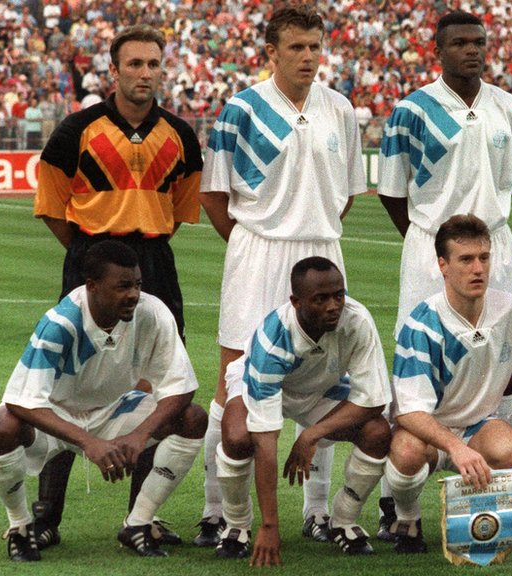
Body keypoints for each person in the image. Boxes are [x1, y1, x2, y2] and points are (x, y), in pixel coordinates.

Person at [30, 24, 203, 552]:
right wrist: (89, 255)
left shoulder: (180, 135)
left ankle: (139, 518)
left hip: (154, 262)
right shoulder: (76, 130)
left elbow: (177, 212)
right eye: (134, 63)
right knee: (67, 385)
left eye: (153, 63)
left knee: (159, 386)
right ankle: (43, 517)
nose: (144, 73)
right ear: (114, 70)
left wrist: (141, 250)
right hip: (92, 258)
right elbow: (52, 206)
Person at [200, 4, 367, 547]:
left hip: (320, 251)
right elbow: (213, 193)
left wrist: (311, 231)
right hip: (258, 253)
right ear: (271, 51)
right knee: (234, 379)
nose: (308, 57)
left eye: (315, 47)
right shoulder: (241, 109)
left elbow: (345, 194)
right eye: (297, 47)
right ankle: (218, 512)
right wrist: (254, 241)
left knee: (326, 379)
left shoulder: (340, 109)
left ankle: (317, 511)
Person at [0, 241, 206, 561]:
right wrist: (89, 442)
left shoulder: (153, 312)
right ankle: (20, 526)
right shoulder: (61, 323)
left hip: (114, 410)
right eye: (123, 286)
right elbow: (21, 401)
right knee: (2, 425)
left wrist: (139, 434)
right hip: (56, 414)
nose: (134, 294)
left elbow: (181, 387)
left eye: (137, 284)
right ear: (92, 286)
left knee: (192, 418)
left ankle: (138, 523)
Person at [213, 257, 391, 564]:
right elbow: (265, 442)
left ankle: (343, 520)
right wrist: (270, 526)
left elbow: (373, 400)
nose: (333, 306)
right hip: (260, 380)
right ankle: (237, 525)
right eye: (320, 299)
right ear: (296, 302)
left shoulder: (357, 320)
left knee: (377, 431)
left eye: (338, 295)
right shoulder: (273, 341)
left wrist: (311, 435)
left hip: (319, 387)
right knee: (238, 435)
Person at [383, 214, 512, 554]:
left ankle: (486, 522)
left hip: (478, 424)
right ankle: (407, 518)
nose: (478, 269)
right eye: (466, 259)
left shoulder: (509, 308)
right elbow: (408, 412)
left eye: (484, 257)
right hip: (429, 429)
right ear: (443, 265)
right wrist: (455, 447)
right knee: (406, 453)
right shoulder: (421, 325)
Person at [378, 10, 512, 334]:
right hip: (431, 250)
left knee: (501, 350)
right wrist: (438, 243)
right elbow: (390, 192)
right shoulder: (410, 111)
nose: (472, 50)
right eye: (460, 43)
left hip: (494, 248)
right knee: (424, 347)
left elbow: (511, 185)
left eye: (479, 43)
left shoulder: (511, 109)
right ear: (438, 52)